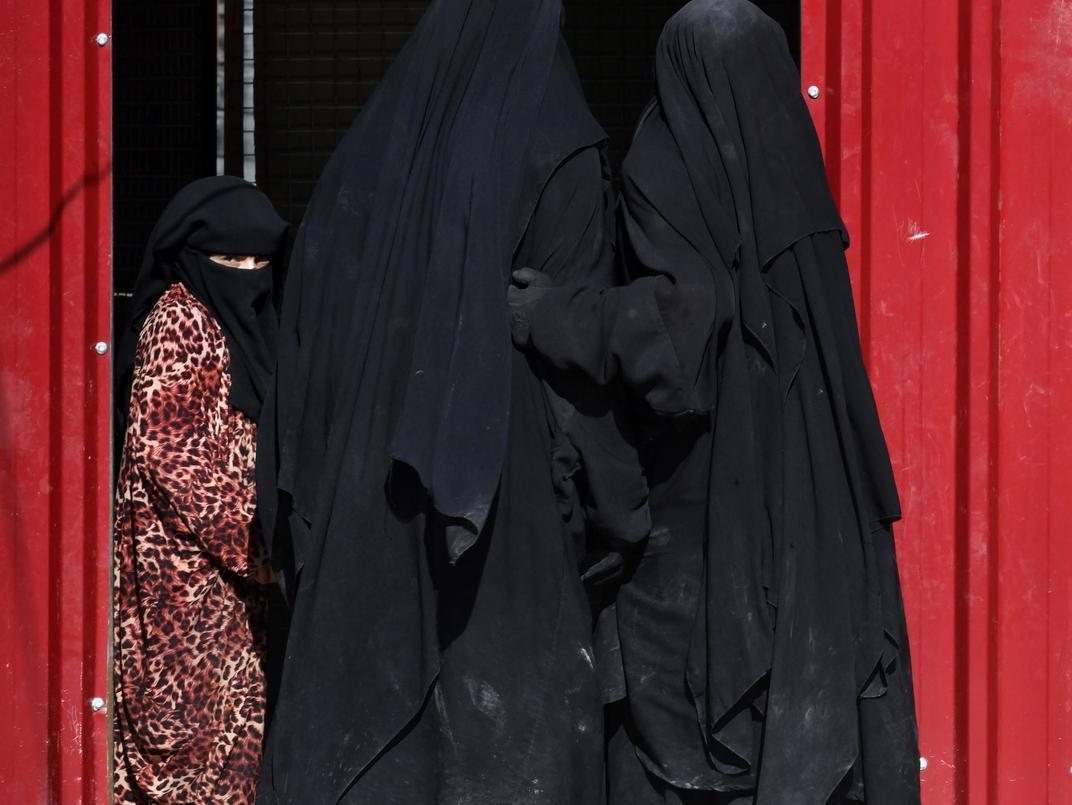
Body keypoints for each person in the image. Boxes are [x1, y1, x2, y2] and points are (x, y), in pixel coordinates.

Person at [507, 1, 920, 802]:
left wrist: (552, 314)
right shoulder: (793, 173)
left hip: (701, 513)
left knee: (678, 737)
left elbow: (680, 328)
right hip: (803, 502)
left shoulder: (667, 160)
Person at [255, 0, 648, 802]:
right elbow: (580, 382)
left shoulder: (361, 161)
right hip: (512, 545)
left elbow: (298, 377)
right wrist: (622, 519)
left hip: (356, 543)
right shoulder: (559, 146)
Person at [111, 176, 288, 804]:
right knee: (183, 748)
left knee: (236, 748)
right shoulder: (180, 321)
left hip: (237, 589)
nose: (247, 274)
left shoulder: (255, 330)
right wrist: (255, 543)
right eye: (230, 261)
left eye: (258, 261)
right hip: (181, 585)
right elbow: (167, 455)